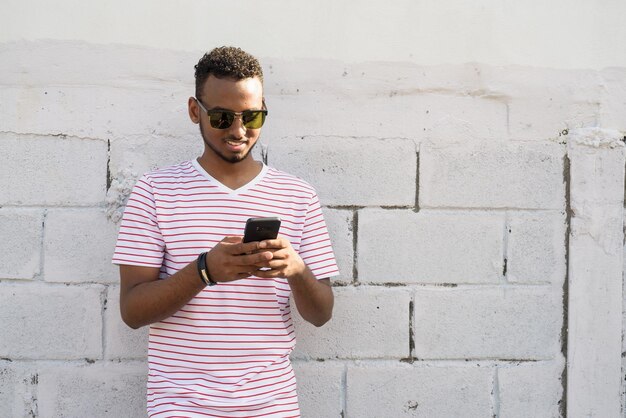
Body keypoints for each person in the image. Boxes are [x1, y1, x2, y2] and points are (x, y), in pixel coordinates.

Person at [112, 46, 338, 417]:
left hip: (271, 404)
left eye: (252, 116)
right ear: (193, 111)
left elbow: (321, 313)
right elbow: (133, 311)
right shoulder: (156, 191)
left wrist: (296, 269)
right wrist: (204, 271)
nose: (238, 130)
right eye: (221, 117)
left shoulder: (298, 195)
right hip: (181, 406)